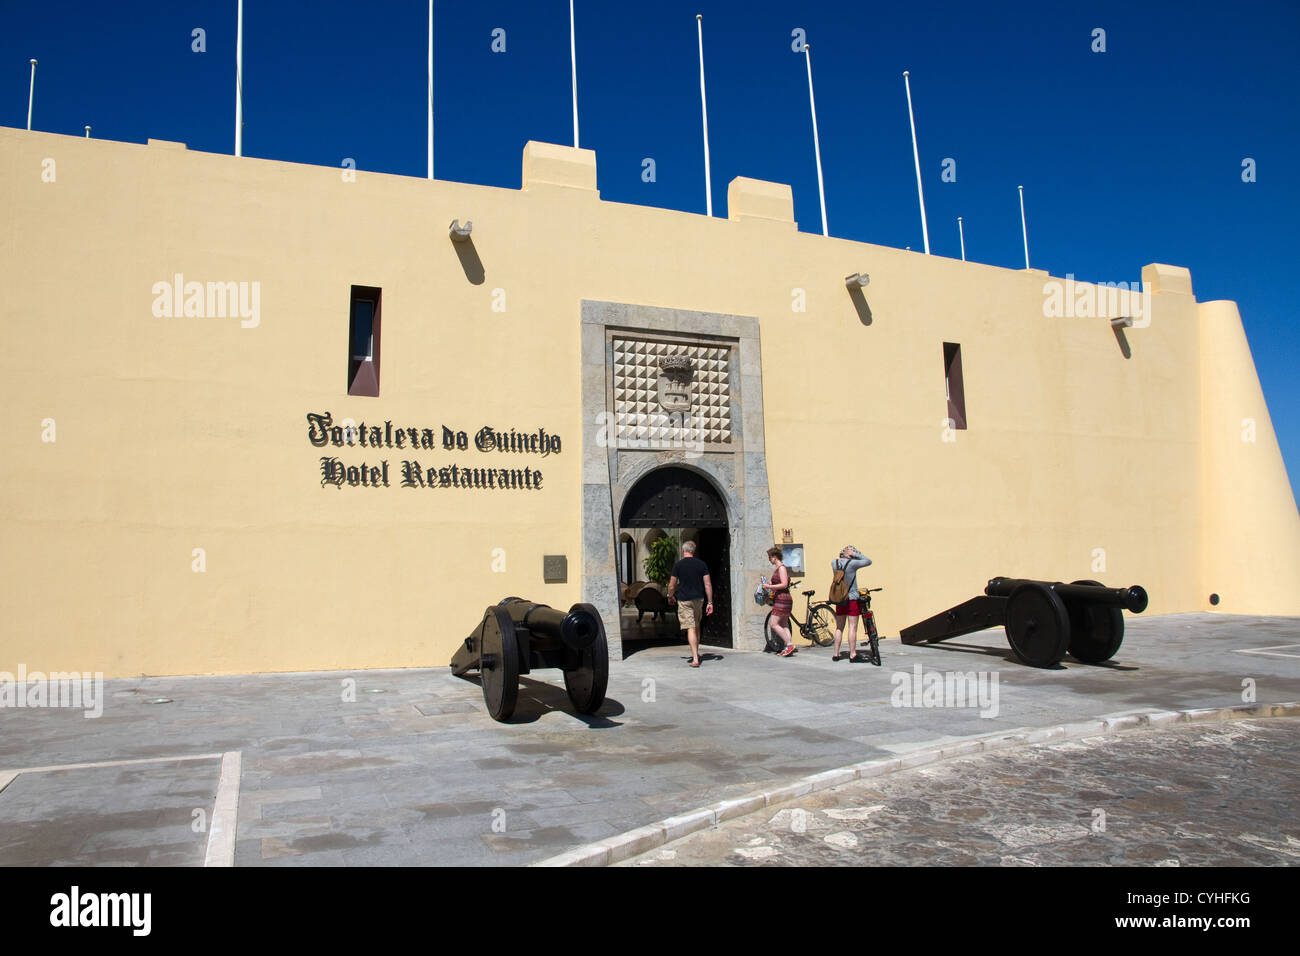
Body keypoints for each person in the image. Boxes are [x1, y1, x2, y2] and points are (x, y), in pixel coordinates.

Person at [666, 540, 713, 667]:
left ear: (683, 551)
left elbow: (672, 585)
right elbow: (707, 584)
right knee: (696, 626)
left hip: (684, 600)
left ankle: (695, 658)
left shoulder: (678, 565)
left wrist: (670, 596)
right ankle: (696, 653)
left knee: (690, 628)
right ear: (694, 551)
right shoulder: (701, 564)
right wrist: (710, 602)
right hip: (699, 599)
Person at [830, 545, 873, 662]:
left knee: (839, 627)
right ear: (850, 554)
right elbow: (868, 561)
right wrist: (856, 555)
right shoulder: (853, 564)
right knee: (852, 627)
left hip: (839, 599)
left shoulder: (834, 563)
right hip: (852, 598)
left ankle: (836, 654)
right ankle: (852, 654)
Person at [763, 546, 797, 657]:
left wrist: (769, 586)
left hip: (782, 598)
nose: (769, 559)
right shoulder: (778, 568)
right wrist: (769, 584)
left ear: (774, 557)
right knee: (783, 623)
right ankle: (788, 647)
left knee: (773, 624)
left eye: (770, 557)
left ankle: (790, 644)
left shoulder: (781, 568)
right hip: (783, 598)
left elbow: (784, 584)